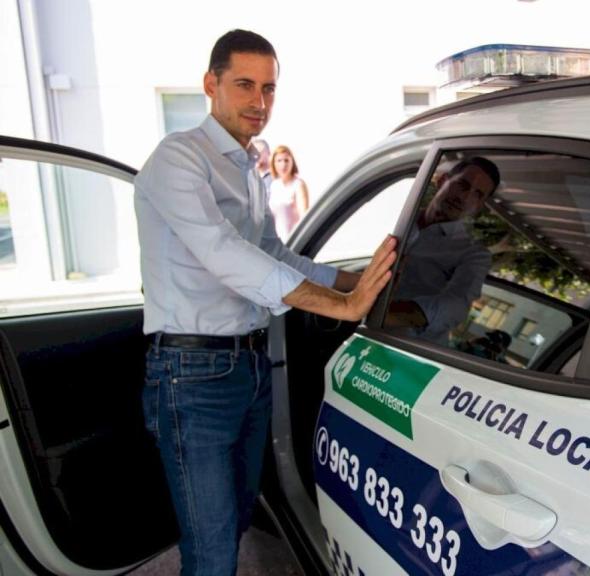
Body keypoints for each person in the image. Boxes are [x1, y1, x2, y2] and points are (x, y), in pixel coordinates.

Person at [133, 29, 395, 576]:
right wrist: (340, 306)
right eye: (245, 85)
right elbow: (223, 252)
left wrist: (354, 279)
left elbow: (274, 253)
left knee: (234, 525)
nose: (260, 102)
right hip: (192, 374)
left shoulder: (249, 164)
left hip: (248, 366)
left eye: (270, 89)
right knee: (212, 549)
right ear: (211, 84)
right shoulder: (179, 158)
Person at [385, 157, 499, 345]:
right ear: (442, 181)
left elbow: (455, 306)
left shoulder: (473, 254)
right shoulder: (400, 220)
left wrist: (384, 312)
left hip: (407, 353)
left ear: (479, 206)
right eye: (462, 184)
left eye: (477, 194)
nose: (464, 198)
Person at [268, 144, 309, 239]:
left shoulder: (298, 184)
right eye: (279, 161)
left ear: (292, 162)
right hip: (277, 241)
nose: (283, 165)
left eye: (286, 160)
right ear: (274, 163)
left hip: (293, 240)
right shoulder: (274, 185)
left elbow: (304, 217)